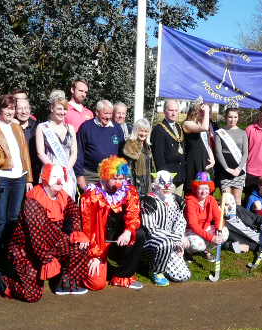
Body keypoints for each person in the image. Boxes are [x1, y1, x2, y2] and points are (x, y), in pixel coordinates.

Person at [0, 164, 91, 301]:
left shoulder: (62, 195)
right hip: (27, 251)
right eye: (55, 177)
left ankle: (63, 283)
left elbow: (74, 211)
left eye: (61, 177)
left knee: (80, 245)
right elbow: (37, 237)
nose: (59, 180)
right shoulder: (34, 201)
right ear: (45, 178)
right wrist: (48, 260)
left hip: (53, 241)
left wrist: (76, 231)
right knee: (32, 295)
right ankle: (2, 281)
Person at [81, 156, 145, 290]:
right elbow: (87, 228)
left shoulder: (129, 191)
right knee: (96, 284)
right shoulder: (91, 195)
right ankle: (107, 269)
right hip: (98, 244)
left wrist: (128, 231)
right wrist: (95, 255)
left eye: (121, 178)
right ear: (105, 176)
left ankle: (123, 276)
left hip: (119, 241)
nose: (119, 182)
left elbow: (134, 214)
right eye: (114, 178)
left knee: (139, 234)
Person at [0, 94, 34, 247]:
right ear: (0, 109)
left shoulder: (17, 127)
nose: (10, 112)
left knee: (14, 217)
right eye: (7, 108)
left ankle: (12, 249)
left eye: (13, 108)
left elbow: (25, 154)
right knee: (0, 218)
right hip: (2, 178)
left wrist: (29, 178)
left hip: (19, 178)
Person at [141, 170, 190, 286]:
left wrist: (179, 240)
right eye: (162, 183)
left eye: (169, 182)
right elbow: (151, 229)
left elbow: (180, 221)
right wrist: (177, 238)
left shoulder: (175, 201)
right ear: (155, 185)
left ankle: (162, 261)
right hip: (150, 242)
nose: (167, 186)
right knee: (165, 243)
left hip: (172, 242)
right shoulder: (148, 201)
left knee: (183, 276)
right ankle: (156, 271)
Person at [36, 90, 78, 198]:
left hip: (67, 170)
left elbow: (74, 152)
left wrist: (67, 169)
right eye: (59, 109)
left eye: (65, 109)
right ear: (51, 108)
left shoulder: (71, 128)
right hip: (50, 170)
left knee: (67, 203)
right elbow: (40, 153)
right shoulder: (42, 127)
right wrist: (55, 169)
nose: (62, 112)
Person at [75, 99, 124, 191]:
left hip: (111, 176)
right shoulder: (86, 127)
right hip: (90, 176)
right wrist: (79, 176)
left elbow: (122, 154)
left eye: (110, 113)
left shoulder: (117, 128)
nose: (108, 117)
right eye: (105, 113)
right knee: (92, 203)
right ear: (97, 112)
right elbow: (79, 153)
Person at [183, 172, 226, 260]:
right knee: (198, 244)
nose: (203, 192)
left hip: (205, 228)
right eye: (200, 188)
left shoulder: (211, 199)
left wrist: (218, 230)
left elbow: (218, 217)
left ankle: (206, 250)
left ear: (210, 189)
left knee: (224, 233)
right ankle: (187, 251)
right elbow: (193, 225)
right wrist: (211, 238)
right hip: (191, 231)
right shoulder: (190, 201)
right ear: (195, 188)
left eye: (206, 188)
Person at [150, 99, 186, 195]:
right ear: (164, 111)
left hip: (180, 175)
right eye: (171, 110)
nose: (174, 113)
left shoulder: (178, 127)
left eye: (176, 110)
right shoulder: (159, 129)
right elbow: (158, 156)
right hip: (167, 178)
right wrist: (164, 178)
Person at [214, 107, 248, 204]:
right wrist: (226, 168)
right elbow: (218, 152)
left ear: (238, 118)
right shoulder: (220, 133)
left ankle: (238, 219)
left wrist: (239, 169)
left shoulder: (243, 133)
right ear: (225, 117)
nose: (233, 120)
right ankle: (225, 219)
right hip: (224, 170)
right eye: (230, 117)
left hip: (238, 171)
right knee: (226, 201)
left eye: (235, 117)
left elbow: (245, 153)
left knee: (237, 200)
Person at [182, 101, 214, 193]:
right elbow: (204, 128)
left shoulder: (200, 123)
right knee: (193, 191)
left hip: (204, 162)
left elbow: (206, 144)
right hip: (193, 163)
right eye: (202, 111)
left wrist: (212, 158)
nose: (204, 114)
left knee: (205, 191)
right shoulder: (187, 123)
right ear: (195, 111)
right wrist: (207, 111)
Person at [123, 118, 154, 195]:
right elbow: (128, 168)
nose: (143, 134)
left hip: (147, 183)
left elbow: (151, 166)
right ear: (136, 131)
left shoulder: (147, 145)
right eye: (141, 131)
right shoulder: (130, 144)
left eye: (146, 131)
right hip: (134, 183)